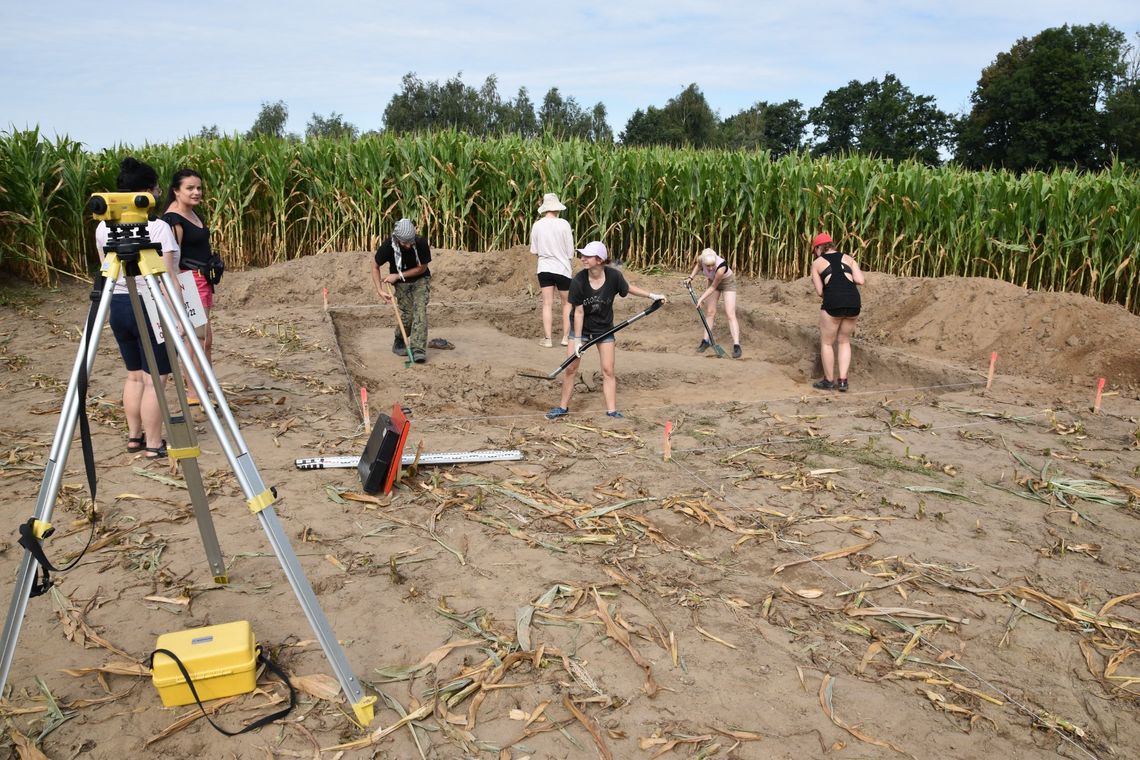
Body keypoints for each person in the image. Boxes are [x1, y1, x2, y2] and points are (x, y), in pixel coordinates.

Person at [95, 157, 181, 459]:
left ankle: (134, 437)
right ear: (146, 192)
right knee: (155, 378)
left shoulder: (104, 229)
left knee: (133, 375)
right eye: (156, 187)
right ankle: (155, 443)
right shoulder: (158, 229)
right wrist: (179, 320)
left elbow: (107, 268)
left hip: (117, 305)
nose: (158, 193)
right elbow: (168, 277)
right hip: (150, 305)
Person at [546, 241, 666, 420]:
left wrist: (652, 295)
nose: (583, 259)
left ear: (600, 260)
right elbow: (578, 312)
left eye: (587, 256)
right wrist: (578, 340)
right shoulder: (578, 281)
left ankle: (611, 410)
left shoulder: (613, 276)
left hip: (604, 329)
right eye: (583, 255)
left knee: (608, 370)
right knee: (571, 368)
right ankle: (563, 407)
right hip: (582, 329)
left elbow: (628, 288)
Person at [162, 169, 214, 406]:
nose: (196, 192)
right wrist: (179, 291)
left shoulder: (192, 213)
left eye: (199, 188)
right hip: (188, 281)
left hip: (203, 280)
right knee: (195, 340)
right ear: (176, 191)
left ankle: (204, 388)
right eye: (190, 188)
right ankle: (195, 392)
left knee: (205, 339)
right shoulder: (173, 220)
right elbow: (172, 260)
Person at [810, 232, 865, 392]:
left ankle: (828, 381)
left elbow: (820, 291)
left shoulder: (817, 263)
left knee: (827, 342)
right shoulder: (849, 258)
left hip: (833, 302)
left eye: (815, 250)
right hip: (854, 302)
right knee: (844, 341)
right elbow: (860, 280)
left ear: (819, 248)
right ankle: (843, 381)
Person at [371, 218, 432, 363]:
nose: (409, 245)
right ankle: (399, 340)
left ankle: (418, 350)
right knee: (408, 315)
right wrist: (380, 290)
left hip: (421, 279)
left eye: (411, 242)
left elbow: (421, 268)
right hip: (401, 284)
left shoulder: (421, 243)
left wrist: (397, 275)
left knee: (420, 311)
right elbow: (374, 266)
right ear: (397, 239)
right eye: (405, 243)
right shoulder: (388, 246)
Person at [529, 192, 576, 348]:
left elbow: (534, 250)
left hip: (544, 268)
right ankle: (565, 338)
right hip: (562, 268)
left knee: (547, 303)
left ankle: (548, 339)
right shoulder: (564, 224)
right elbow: (570, 251)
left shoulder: (537, 225)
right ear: (557, 208)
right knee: (567, 303)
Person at [685, 247, 742, 358]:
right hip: (713, 282)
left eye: (712, 265)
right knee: (710, 312)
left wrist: (701, 299)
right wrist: (690, 278)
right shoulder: (702, 259)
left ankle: (736, 345)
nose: (711, 268)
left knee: (730, 313)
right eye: (708, 266)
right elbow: (698, 265)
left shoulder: (721, 267)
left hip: (727, 283)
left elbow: (713, 287)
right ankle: (706, 341)